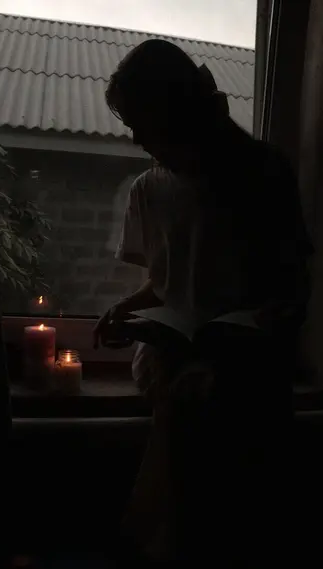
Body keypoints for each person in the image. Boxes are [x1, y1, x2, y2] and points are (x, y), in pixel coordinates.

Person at [93, 39, 312, 566]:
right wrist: (130, 309)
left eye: (144, 122)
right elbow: (168, 285)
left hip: (245, 383)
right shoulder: (149, 189)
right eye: (131, 125)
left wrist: (239, 350)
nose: (138, 138)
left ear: (178, 110)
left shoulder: (262, 174)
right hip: (174, 373)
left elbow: (290, 292)